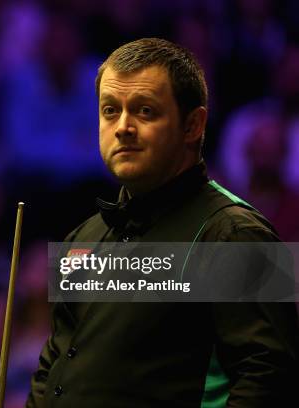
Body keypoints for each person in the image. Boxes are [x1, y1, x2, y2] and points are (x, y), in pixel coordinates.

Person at [27, 38, 298, 407]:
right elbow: (53, 370)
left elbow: (271, 379)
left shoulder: (238, 232)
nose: (122, 127)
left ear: (193, 125)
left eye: (144, 111)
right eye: (110, 111)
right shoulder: (82, 236)